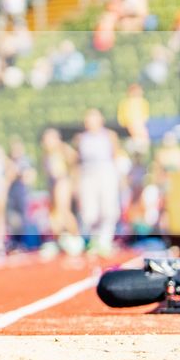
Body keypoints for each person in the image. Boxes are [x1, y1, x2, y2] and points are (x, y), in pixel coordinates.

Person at [74, 109, 122, 257]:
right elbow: (77, 162)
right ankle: (93, 241)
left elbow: (116, 156)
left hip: (106, 173)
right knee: (89, 212)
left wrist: (119, 177)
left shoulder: (109, 136)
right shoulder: (81, 138)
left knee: (108, 209)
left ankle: (105, 241)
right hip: (88, 176)